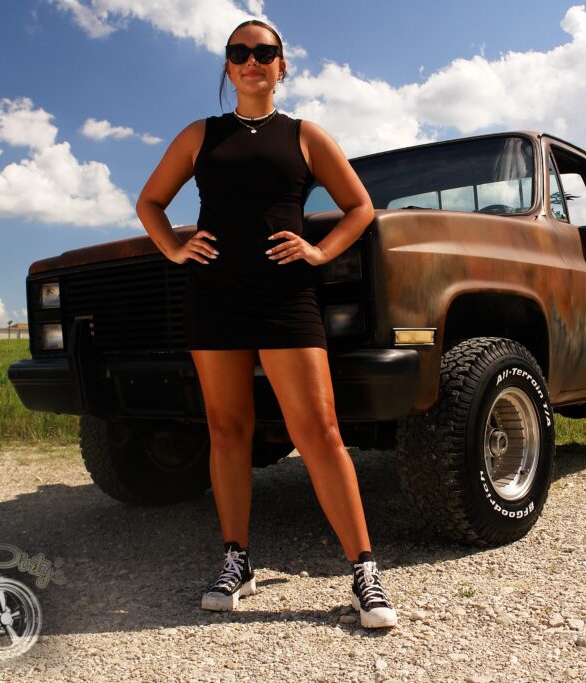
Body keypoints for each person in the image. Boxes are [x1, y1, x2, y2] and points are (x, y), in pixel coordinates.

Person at [135, 19, 397, 629]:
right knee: (228, 429)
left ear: (282, 65)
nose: (252, 60)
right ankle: (237, 560)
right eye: (239, 52)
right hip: (214, 296)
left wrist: (320, 251)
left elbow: (360, 206)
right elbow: (150, 202)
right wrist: (174, 247)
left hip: (286, 296)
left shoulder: (305, 135)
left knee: (320, 431)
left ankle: (364, 571)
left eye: (264, 52)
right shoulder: (200, 135)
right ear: (228, 67)